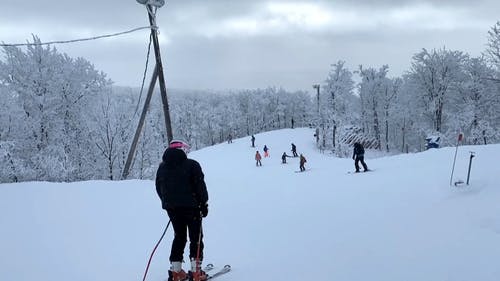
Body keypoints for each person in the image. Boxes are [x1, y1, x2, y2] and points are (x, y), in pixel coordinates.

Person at [155, 140, 209, 281]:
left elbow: (159, 188)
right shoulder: (192, 165)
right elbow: (200, 186)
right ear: (183, 150)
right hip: (192, 208)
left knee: (179, 236)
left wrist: (167, 203)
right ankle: (196, 271)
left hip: (172, 209)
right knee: (196, 236)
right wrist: (203, 204)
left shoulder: (162, 168)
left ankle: (176, 271)